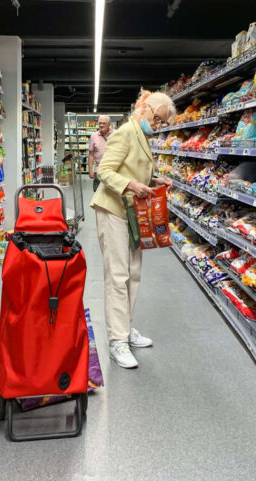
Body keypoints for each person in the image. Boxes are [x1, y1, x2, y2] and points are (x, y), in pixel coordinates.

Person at [89, 90, 176, 369]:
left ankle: (125, 328)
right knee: (117, 275)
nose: (160, 126)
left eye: (163, 123)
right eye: (159, 120)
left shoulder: (142, 136)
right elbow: (105, 171)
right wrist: (131, 186)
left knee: (133, 273)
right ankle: (117, 341)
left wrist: (154, 178)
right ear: (146, 110)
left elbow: (133, 168)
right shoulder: (125, 132)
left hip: (131, 213)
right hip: (113, 209)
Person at [88, 115, 114, 193]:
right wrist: (90, 170)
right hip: (98, 171)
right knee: (97, 194)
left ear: (109, 124)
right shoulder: (94, 136)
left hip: (112, 170)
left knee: (111, 195)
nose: (101, 125)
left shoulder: (116, 134)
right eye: (100, 123)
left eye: (104, 123)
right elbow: (91, 154)